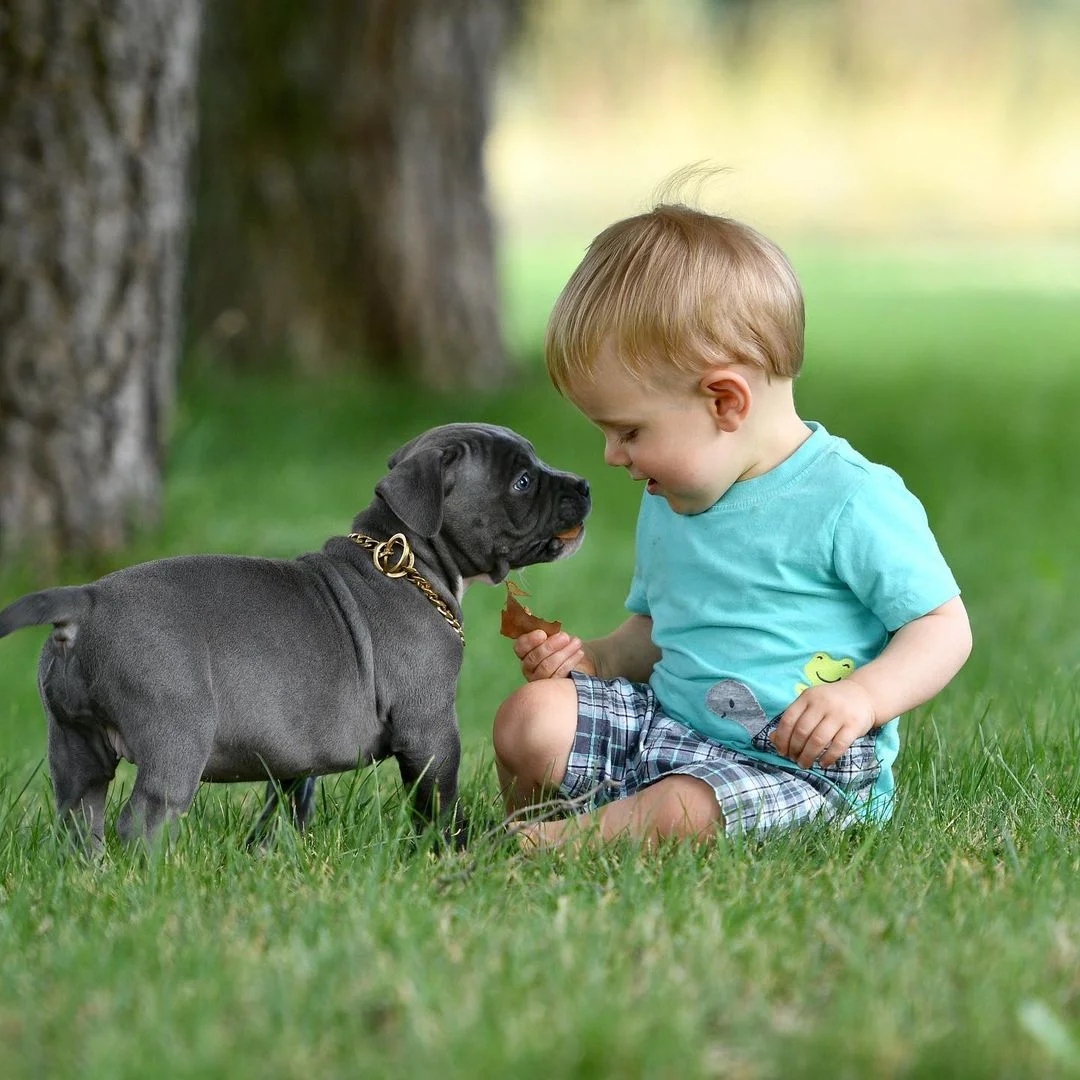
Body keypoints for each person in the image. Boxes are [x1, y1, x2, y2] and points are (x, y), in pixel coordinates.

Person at [492, 201, 972, 849]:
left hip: (798, 768)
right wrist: (594, 658)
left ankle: (556, 845)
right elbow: (657, 632)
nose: (612, 456)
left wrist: (862, 697)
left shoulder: (850, 499)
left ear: (725, 401)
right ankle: (534, 822)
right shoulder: (672, 494)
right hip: (670, 726)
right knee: (530, 719)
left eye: (629, 431)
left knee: (683, 810)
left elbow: (942, 629)